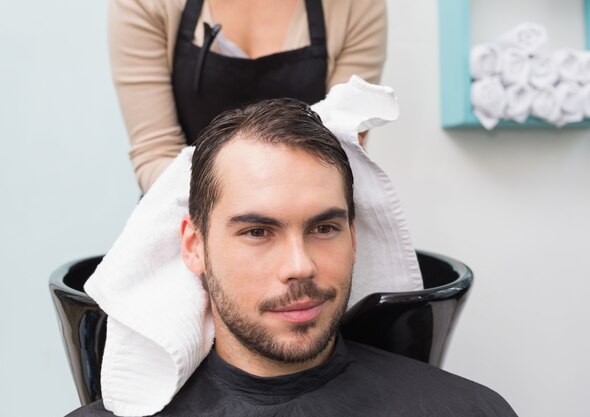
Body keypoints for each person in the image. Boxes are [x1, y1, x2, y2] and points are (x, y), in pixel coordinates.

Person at [68, 98, 518, 416]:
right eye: (258, 232)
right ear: (194, 246)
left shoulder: (467, 410)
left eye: (324, 228)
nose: (300, 266)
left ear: (354, 236)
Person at [109, 0, 387, 192]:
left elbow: (341, 153)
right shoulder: (146, 4)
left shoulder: (354, 6)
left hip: (305, 222)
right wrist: (231, 216)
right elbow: (156, 152)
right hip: (180, 216)